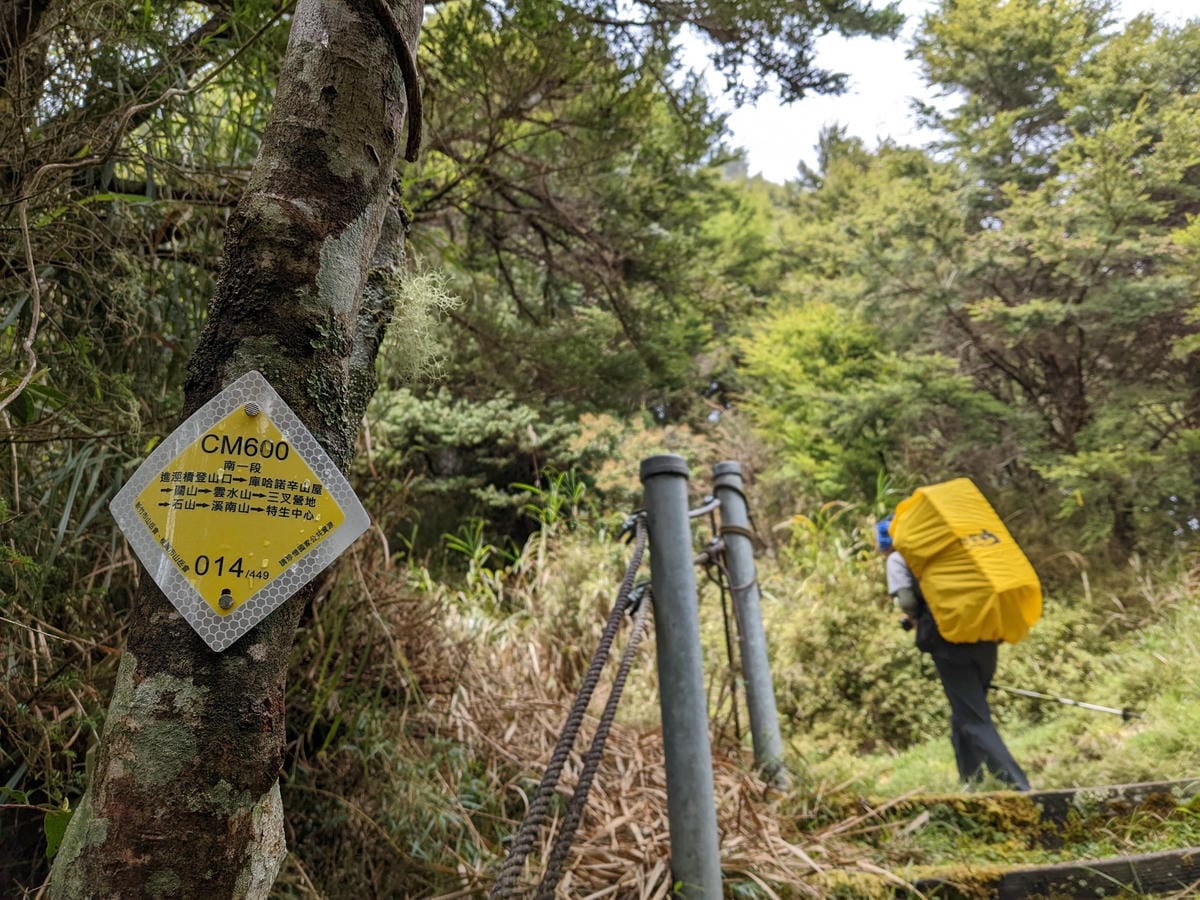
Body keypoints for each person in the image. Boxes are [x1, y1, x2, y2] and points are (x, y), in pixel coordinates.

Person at [877, 516, 1031, 792]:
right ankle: (970, 781)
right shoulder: (950, 550)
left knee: (973, 718)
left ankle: (1019, 786)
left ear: (886, 543)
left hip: (949, 644)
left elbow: (908, 602)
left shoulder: (898, 559)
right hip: (984, 636)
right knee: (964, 711)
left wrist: (912, 617)